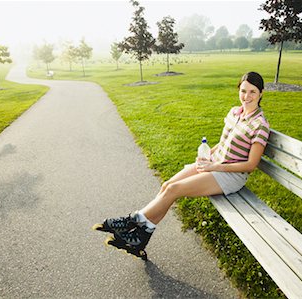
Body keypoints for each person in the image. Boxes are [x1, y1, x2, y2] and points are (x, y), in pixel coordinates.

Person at [92, 71, 270, 259]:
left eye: (252, 92)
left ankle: (132, 221)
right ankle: (141, 237)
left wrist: (215, 167)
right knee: (167, 186)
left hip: (231, 176)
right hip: (214, 164)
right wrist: (209, 154)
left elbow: (251, 165)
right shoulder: (235, 112)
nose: (246, 97)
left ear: (261, 93)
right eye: (243, 91)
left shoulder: (260, 125)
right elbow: (224, 141)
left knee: (174, 189)